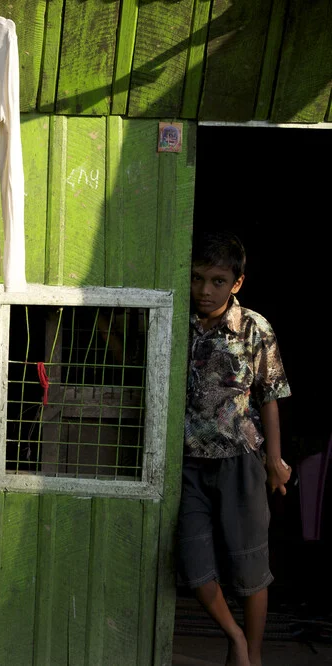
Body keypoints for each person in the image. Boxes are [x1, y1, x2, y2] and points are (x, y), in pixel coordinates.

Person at [178, 231, 292, 666]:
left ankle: (252, 656)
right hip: (187, 463)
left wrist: (275, 461)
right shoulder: (179, 323)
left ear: (237, 283)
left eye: (217, 281)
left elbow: (270, 396)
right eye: (197, 279)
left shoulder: (254, 328)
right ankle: (236, 638)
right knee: (194, 563)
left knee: (250, 570)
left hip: (241, 462)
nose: (205, 290)